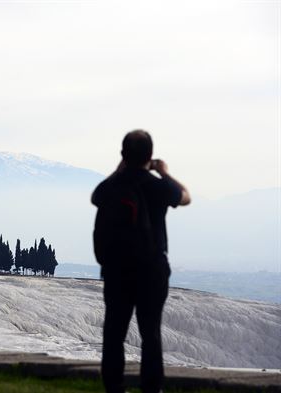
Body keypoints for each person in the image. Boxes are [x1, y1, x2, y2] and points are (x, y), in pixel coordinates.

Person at [91, 130, 191, 393]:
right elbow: (185, 196)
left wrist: (118, 170)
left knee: (114, 332)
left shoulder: (113, 187)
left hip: (116, 270)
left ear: (123, 155)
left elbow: (95, 196)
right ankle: (151, 388)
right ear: (150, 155)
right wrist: (165, 172)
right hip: (151, 270)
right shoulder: (157, 186)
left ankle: (114, 387)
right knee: (151, 333)